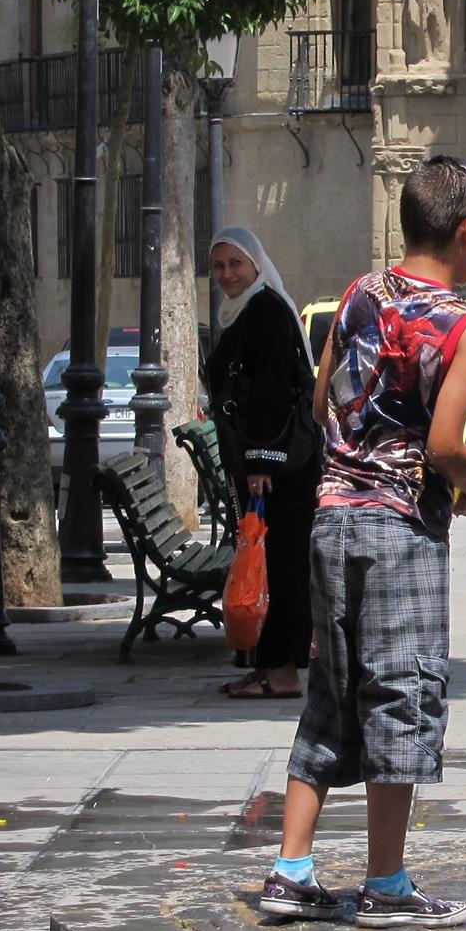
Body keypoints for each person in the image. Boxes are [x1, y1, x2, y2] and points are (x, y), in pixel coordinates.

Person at [258, 156, 466, 928]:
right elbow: (444, 444)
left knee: (332, 688)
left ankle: (291, 869)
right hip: (400, 530)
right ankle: (386, 884)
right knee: (402, 688)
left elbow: (328, 393)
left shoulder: (360, 293)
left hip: (331, 516)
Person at [205, 226, 322, 700]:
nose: (227, 274)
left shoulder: (266, 311)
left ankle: (283, 670)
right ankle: (270, 664)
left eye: (236, 264)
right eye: (218, 266)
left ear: (256, 265)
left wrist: (260, 462)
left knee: (281, 566)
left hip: (278, 469)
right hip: (276, 464)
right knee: (271, 563)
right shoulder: (248, 310)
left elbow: (273, 392)